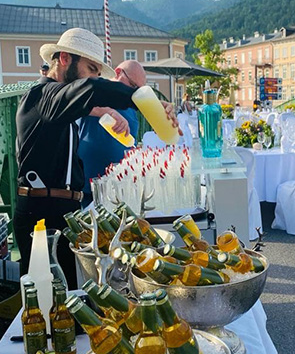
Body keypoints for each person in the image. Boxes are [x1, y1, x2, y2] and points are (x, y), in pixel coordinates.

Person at [14, 28, 179, 289]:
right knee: (50, 307)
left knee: (74, 300)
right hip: (41, 215)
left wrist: (114, 109)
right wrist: (143, 101)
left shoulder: (58, 103)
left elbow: (86, 99)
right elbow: (89, 89)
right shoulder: (41, 95)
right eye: (91, 67)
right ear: (65, 59)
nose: (93, 76)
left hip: (63, 210)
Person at [78, 60, 147, 207]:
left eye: (138, 90)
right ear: (117, 73)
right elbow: (80, 103)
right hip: (89, 189)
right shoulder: (97, 90)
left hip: (122, 188)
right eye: (133, 86)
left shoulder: (131, 105)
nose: (132, 93)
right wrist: (107, 111)